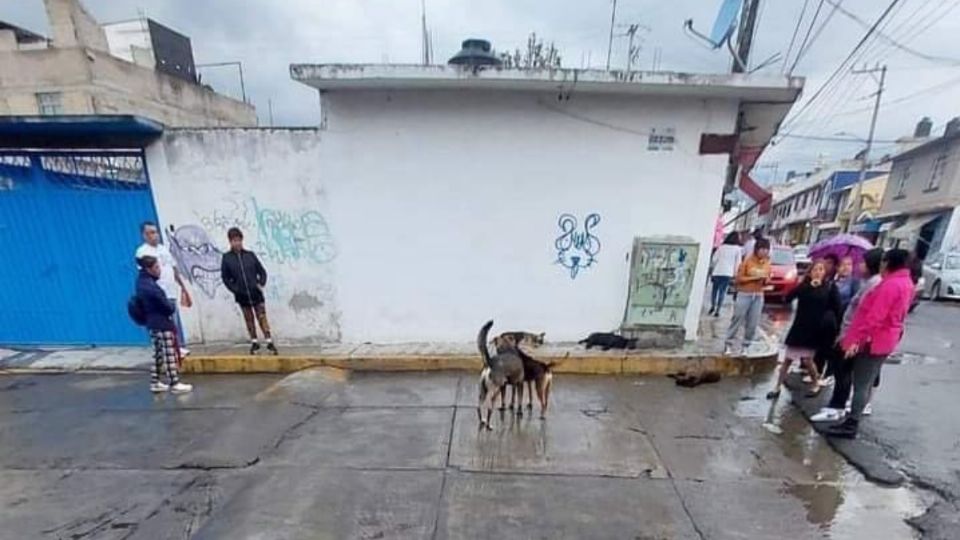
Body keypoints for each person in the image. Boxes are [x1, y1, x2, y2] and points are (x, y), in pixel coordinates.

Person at [826, 248, 914, 439]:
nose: (881, 264)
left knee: (861, 384)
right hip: (883, 339)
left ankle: (851, 424)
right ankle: (851, 420)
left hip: (873, 341)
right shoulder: (904, 282)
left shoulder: (890, 286)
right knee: (864, 382)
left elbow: (875, 318)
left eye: (883, 261)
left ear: (888, 263)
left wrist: (856, 341)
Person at [811, 248, 884, 422]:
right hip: (848, 332)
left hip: (852, 336)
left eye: (862, 263)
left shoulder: (872, 284)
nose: (860, 265)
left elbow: (864, 313)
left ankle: (838, 407)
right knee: (841, 371)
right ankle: (837, 405)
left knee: (843, 372)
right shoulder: (868, 282)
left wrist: (851, 338)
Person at [766, 260, 842, 399]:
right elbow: (788, 298)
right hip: (799, 327)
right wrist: (803, 286)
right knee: (787, 359)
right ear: (810, 272)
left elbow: (836, 309)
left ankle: (815, 382)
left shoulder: (830, 288)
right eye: (815, 270)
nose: (817, 272)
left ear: (825, 272)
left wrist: (836, 330)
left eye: (820, 270)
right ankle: (777, 387)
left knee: (807, 360)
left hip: (814, 329)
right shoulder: (804, 286)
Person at [135, 256, 192, 393]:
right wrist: (170, 306)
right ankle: (174, 383)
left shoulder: (141, 283)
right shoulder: (151, 287)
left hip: (152, 323)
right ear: (149, 269)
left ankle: (155, 381)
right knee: (169, 353)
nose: (159, 270)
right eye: (156, 267)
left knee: (158, 353)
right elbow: (165, 305)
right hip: (161, 322)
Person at [136, 222, 192, 357]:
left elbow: (173, 268)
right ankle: (172, 350)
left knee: (174, 320)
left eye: (156, 232)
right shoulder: (143, 252)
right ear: (144, 235)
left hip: (171, 291)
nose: (155, 235)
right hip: (158, 294)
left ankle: (178, 347)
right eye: (151, 233)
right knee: (166, 323)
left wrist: (183, 287)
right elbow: (144, 274)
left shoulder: (163, 249)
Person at [220, 227, 278, 355]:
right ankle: (254, 342)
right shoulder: (227, 258)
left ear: (242, 240)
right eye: (234, 240)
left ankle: (269, 341)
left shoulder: (250, 256)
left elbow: (262, 271)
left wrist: (261, 283)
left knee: (262, 317)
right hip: (242, 295)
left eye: (239, 240)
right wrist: (235, 289)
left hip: (256, 293)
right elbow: (225, 278)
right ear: (230, 242)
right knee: (249, 319)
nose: (237, 243)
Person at [725, 238, 771, 354]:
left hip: (758, 295)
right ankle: (728, 343)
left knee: (753, 322)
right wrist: (754, 278)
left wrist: (766, 280)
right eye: (762, 249)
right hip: (745, 293)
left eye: (766, 250)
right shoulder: (748, 261)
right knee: (738, 318)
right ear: (757, 249)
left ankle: (746, 345)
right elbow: (738, 279)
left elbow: (768, 277)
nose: (764, 252)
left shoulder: (767, 263)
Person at [709, 232, 742, 316]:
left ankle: (712, 306)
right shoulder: (737, 249)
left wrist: (713, 268)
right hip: (728, 273)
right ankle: (718, 310)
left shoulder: (721, 247)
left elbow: (714, 260)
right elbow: (738, 263)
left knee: (714, 290)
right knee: (722, 292)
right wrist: (735, 274)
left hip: (717, 271)